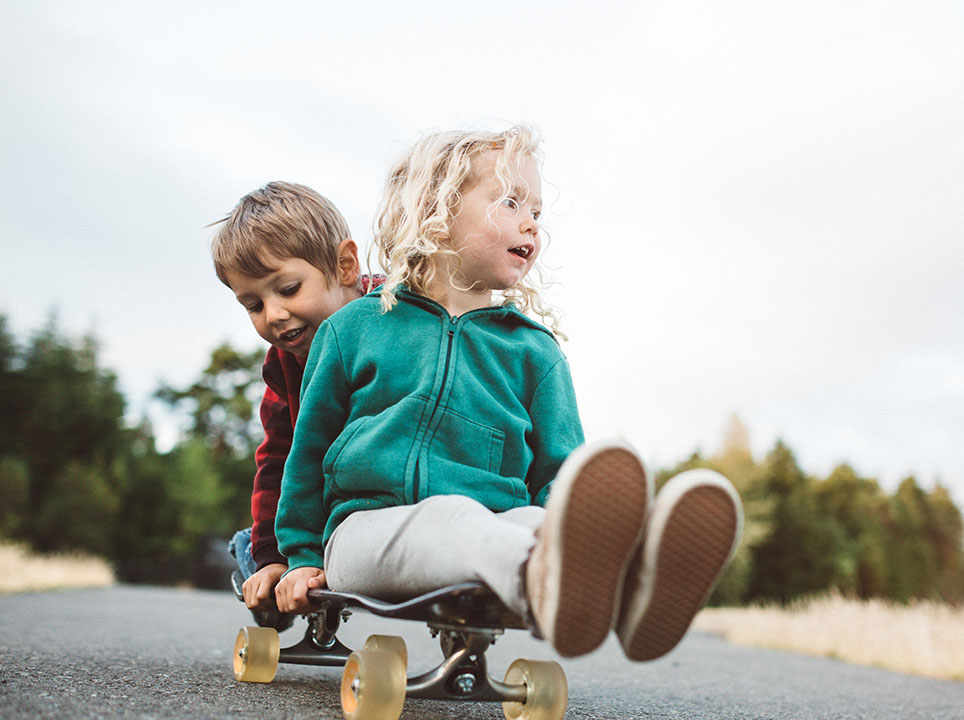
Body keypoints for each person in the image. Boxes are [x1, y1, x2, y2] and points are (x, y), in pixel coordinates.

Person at [274, 126, 742, 661]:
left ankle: (632, 598)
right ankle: (542, 582)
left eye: (538, 213)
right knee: (454, 520)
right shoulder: (356, 328)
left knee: (540, 525)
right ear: (437, 208)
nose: (531, 224)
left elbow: (560, 480)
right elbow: (307, 454)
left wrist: (561, 525)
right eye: (510, 201)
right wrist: (301, 556)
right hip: (364, 535)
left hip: (493, 528)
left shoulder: (534, 352)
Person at [210, 181, 383, 628]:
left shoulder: (396, 322)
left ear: (345, 266)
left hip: (378, 506)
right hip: (313, 510)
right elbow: (278, 459)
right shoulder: (284, 362)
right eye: (252, 304)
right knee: (256, 550)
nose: (272, 315)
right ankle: (262, 558)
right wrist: (271, 556)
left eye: (287, 289)